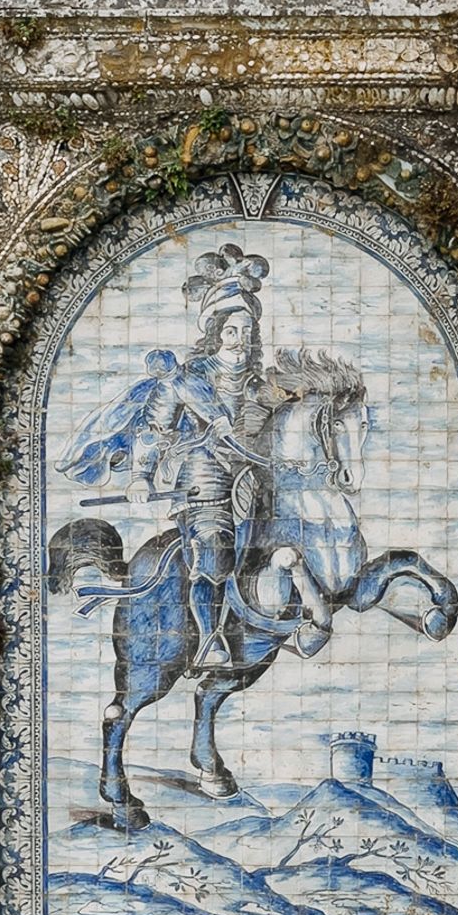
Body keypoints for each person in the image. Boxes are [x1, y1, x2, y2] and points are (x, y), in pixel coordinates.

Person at [59, 244, 271, 670]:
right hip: (204, 480)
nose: (240, 340)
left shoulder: (259, 381)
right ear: (216, 332)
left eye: (247, 331)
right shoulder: (186, 380)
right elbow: (153, 431)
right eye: (232, 331)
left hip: (256, 478)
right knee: (214, 548)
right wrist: (141, 476)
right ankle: (210, 639)